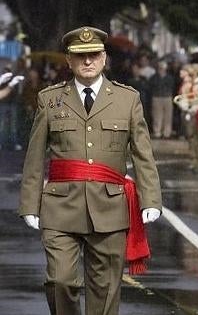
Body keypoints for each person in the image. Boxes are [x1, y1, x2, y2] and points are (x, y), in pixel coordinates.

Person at [18, 26, 162, 315]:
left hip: (109, 205)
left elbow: (143, 154)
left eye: (93, 55)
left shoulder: (127, 99)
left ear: (104, 58)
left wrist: (151, 200)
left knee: (105, 288)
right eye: (79, 56)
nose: (87, 61)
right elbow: (34, 157)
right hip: (61, 205)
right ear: (68, 61)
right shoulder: (50, 99)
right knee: (60, 281)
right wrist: (29, 204)